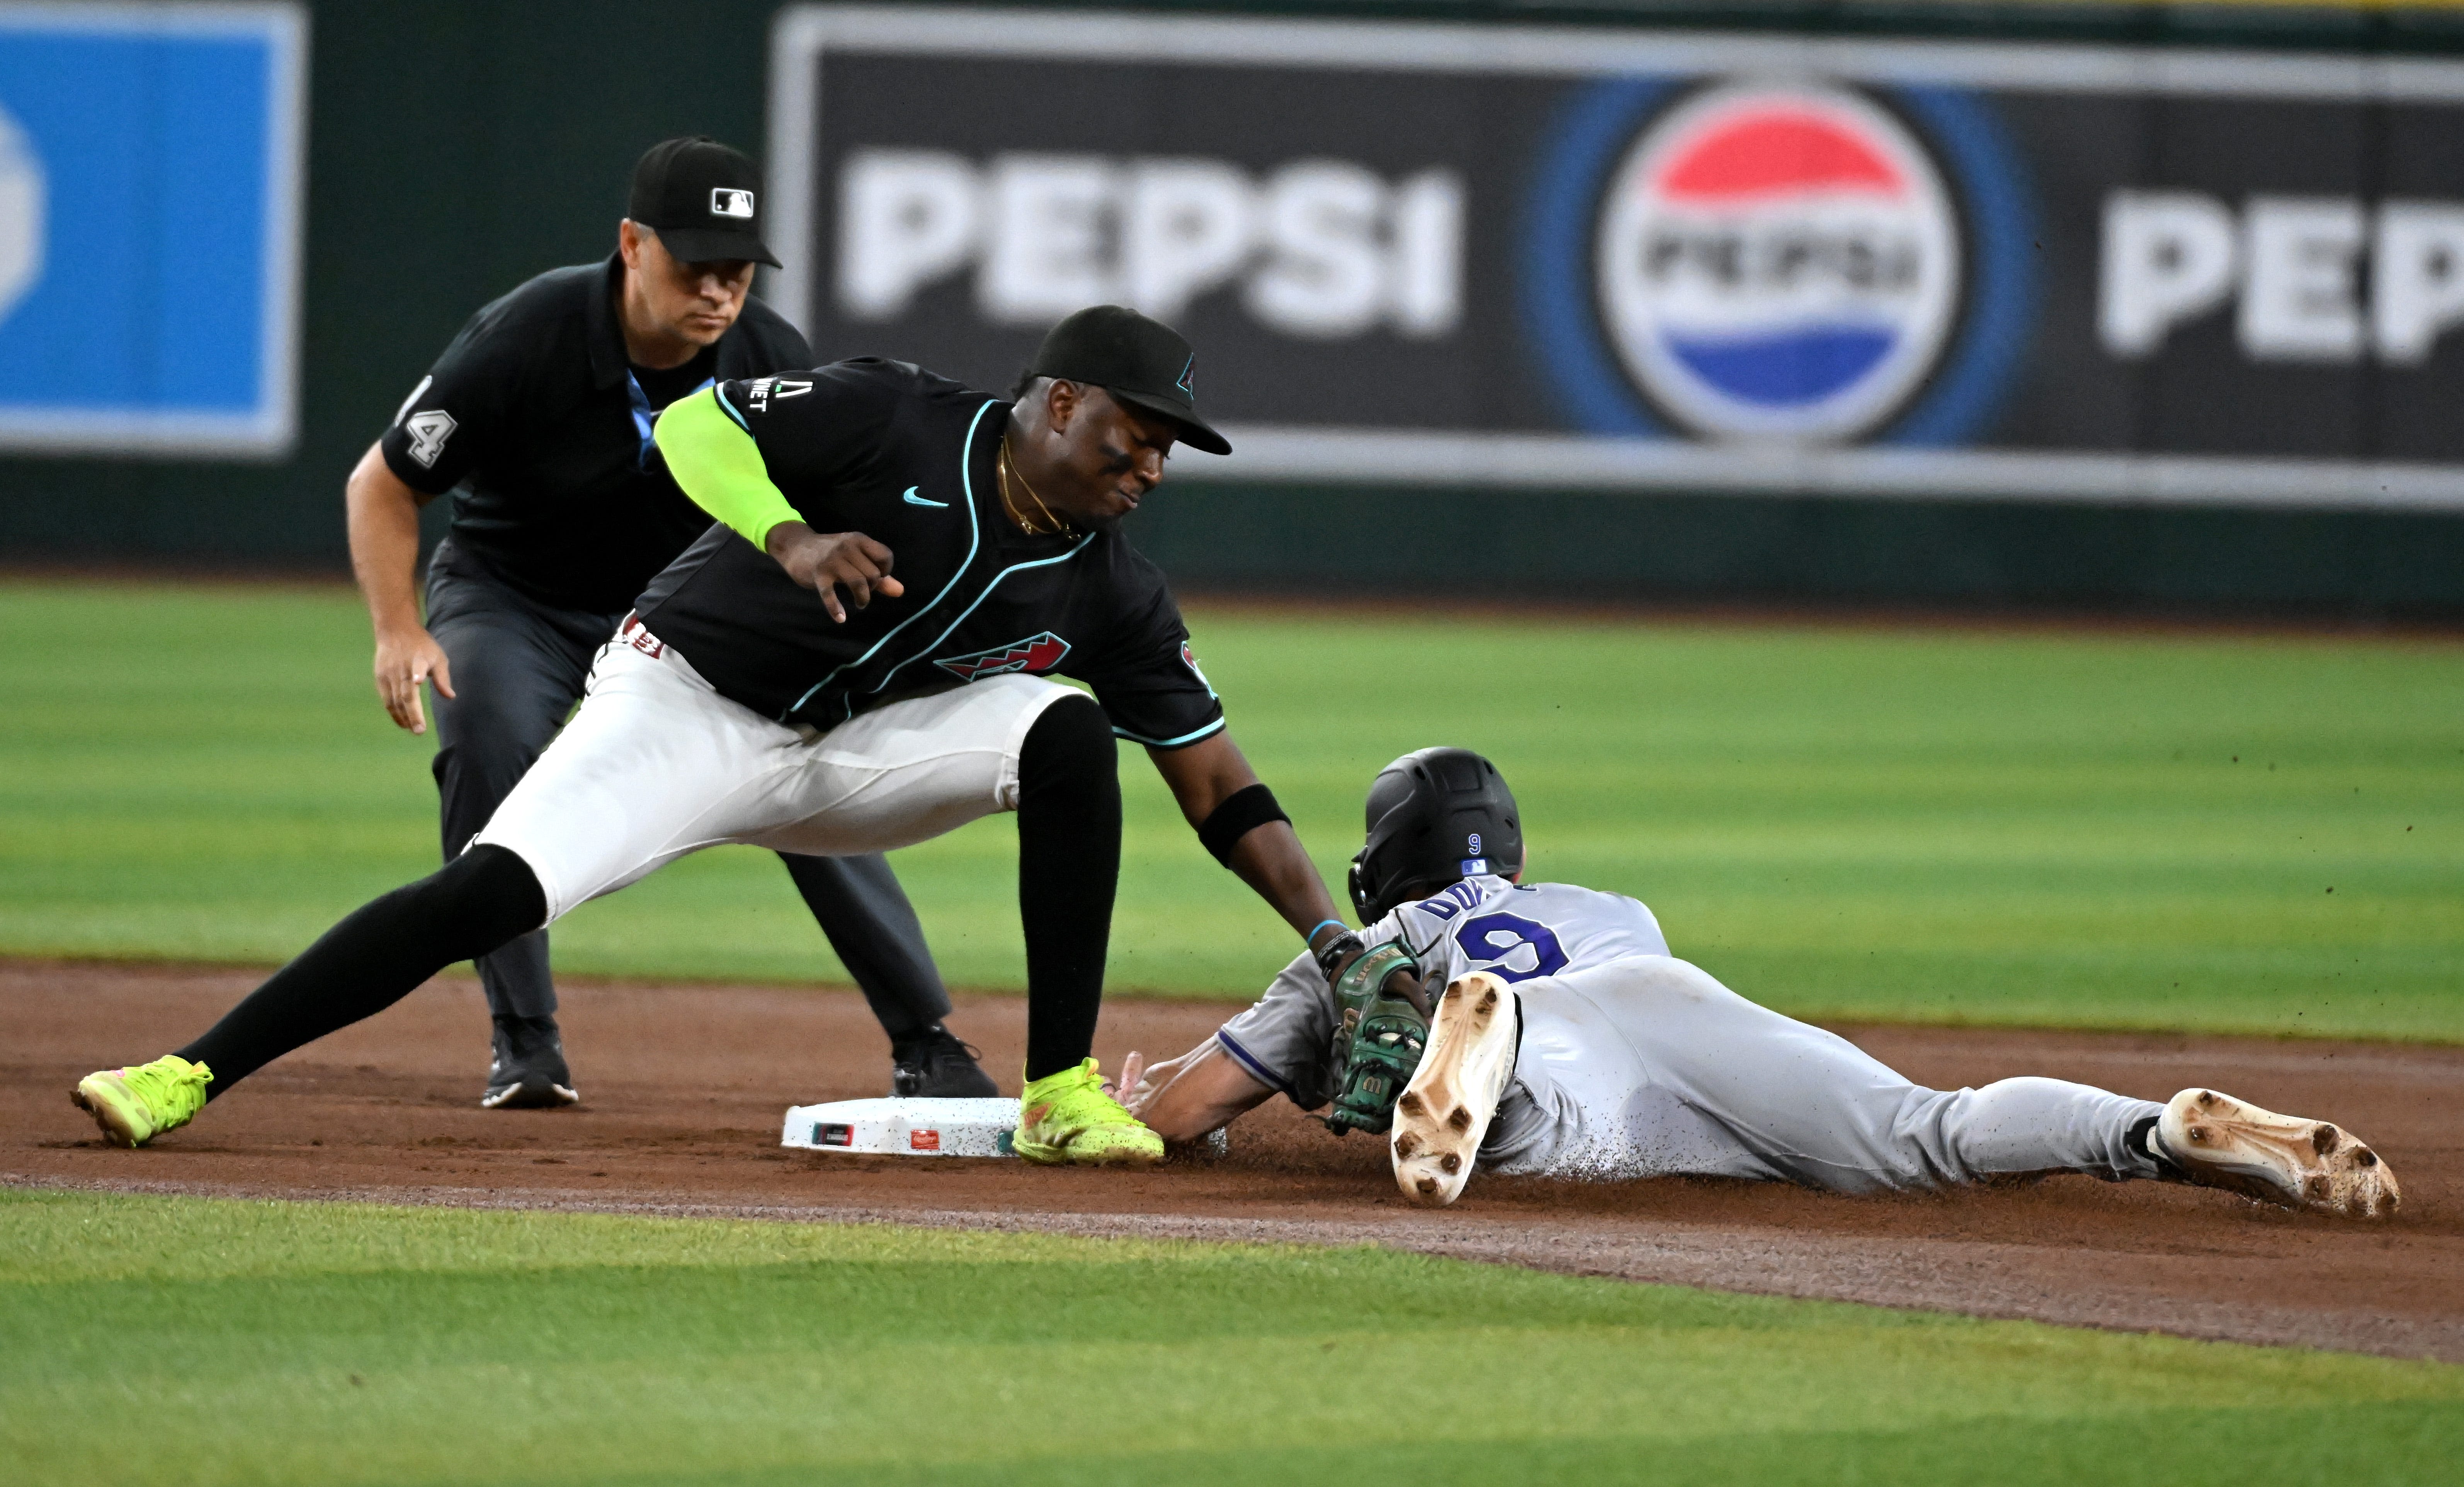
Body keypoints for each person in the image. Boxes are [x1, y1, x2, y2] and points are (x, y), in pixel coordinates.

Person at [73, 305, 1364, 1168]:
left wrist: (1330, 940)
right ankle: (186, 1072)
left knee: (1070, 735)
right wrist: (789, 532)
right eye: (1130, 438)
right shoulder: (897, 415)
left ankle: (1059, 1094)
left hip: (854, 755)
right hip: (680, 706)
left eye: (1165, 456)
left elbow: (1216, 785)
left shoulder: (1112, 589)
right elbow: (696, 424)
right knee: (492, 891)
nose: (1146, 469)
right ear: (1059, 399)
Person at [343, 135, 989, 1108]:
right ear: (632, 246)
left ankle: (926, 1039)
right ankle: (525, 1037)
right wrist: (400, 627)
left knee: (806, 761)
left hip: (689, 619)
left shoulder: (770, 355)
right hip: (518, 597)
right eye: (696, 266)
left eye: (737, 271)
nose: (719, 291)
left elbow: (818, 519)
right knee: (488, 732)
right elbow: (384, 482)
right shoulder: (527, 333)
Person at [1121, 747, 2403, 1219]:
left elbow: (1179, 1122)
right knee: (1927, 1129)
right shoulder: (1603, 903)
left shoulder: (1363, 945)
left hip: (1542, 1033)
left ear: (1375, 867)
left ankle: (1491, 1064)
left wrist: (1163, 1105)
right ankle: (2148, 1129)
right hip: (1665, 989)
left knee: (1559, 1130)